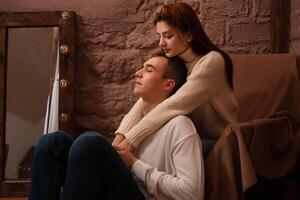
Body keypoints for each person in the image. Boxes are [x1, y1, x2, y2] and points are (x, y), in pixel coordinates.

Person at [29, 52, 205, 200]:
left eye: (149, 70)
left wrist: (135, 164)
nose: (138, 72)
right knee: (53, 142)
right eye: (142, 67)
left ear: (168, 84)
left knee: (90, 143)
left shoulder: (180, 125)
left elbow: (191, 193)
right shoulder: (135, 122)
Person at [113, 2, 238, 154]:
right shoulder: (176, 61)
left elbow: (174, 105)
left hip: (218, 141)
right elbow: (143, 102)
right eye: (160, 36)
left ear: (189, 35)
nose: (161, 43)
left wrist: (131, 141)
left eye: (168, 36)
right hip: (186, 136)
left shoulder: (211, 61)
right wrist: (118, 142)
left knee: (152, 151)